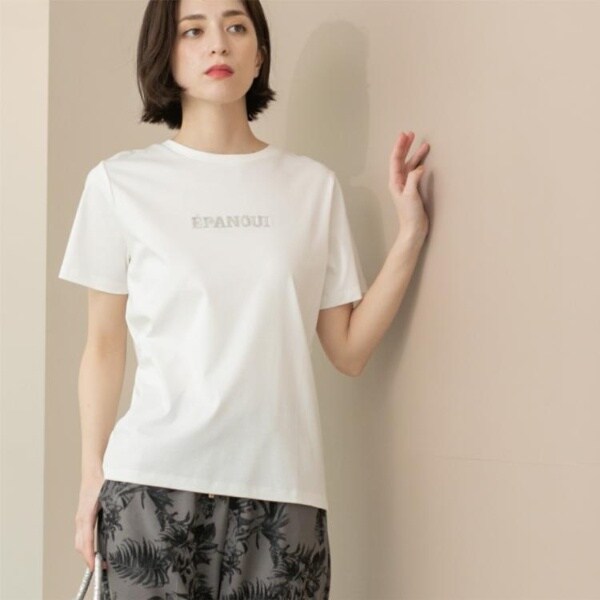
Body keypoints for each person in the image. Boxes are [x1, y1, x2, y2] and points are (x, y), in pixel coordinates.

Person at [59, 0, 430, 597]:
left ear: (259, 55)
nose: (218, 43)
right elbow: (103, 348)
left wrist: (410, 233)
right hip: (150, 486)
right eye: (193, 30)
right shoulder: (119, 184)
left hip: (283, 491)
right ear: (165, 53)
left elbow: (349, 350)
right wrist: (89, 484)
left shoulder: (311, 188)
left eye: (236, 26)